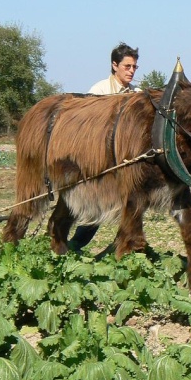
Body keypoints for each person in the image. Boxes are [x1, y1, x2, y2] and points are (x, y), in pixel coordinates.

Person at [70, 42, 140, 251]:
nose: (132, 71)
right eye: (127, 66)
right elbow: (87, 130)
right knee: (96, 209)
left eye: (135, 67)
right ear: (114, 65)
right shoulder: (99, 91)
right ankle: (74, 245)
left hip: (127, 163)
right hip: (102, 161)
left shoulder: (138, 94)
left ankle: (120, 248)